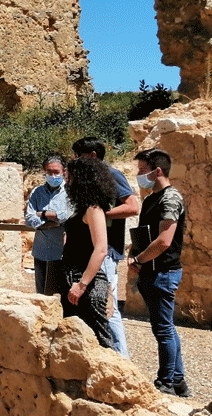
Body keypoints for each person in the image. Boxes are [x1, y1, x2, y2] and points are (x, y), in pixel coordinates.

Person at [128, 148, 190, 397]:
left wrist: (139, 260)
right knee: (164, 328)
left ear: (157, 171)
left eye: (142, 171)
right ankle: (178, 381)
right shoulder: (151, 198)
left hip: (162, 271)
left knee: (164, 329)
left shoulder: (170, 198)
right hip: (151, 271)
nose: (139, 175)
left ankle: (166, 382)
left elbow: (164, 241)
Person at [72, 136, 139, 357]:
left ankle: (121, 358)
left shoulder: (112, 175)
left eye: (78, 155)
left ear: (92, 156)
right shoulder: (88, 181)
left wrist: (97, 217)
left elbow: (132, 206)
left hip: (107, 248)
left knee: (108, 306)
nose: (75, 159)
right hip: (95, 246)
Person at [60, 157, 116, 348]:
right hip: (72, 278)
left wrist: (82, 285)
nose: (67, 183)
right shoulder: (81, 208)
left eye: (70, 178)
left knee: (98, 341)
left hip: (84, 283)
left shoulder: (93, 209)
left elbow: (101, 249)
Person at [24, 156, 72, 294]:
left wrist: (43, 214)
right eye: (49, 172)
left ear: (64, 172)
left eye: (56, 172)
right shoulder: (37, 192)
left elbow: (67, 216)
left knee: (62, 293)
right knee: (42, 294)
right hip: (41, 251)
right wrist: (54, 223)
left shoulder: (70, 192)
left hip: (62, 253)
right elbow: (29, 219)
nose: (53, 175)